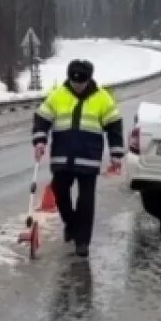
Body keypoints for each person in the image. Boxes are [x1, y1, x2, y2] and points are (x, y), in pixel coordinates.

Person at [32, 59, 125, 257]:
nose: (78, 86)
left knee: (85, 200)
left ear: (89, 79)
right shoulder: (58, 95)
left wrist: (116, 154)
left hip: (88, 157)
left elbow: (114, 126)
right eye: (75, 82)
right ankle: (71, 224)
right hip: (61, 156)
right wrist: (40, 139)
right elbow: (42, 118)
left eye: (82, 82)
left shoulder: (102, 98)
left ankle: (82, 241)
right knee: (59, 191)